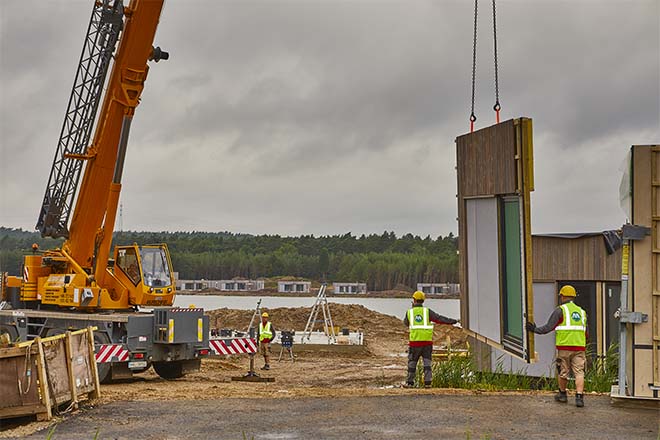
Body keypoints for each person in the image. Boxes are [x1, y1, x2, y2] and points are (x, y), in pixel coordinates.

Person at [526, 285, 588, 407]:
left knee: (563, 371)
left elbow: (548, 327)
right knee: (579, 372)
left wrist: (534, 329)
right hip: (580, 347)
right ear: (573, 297)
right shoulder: (582, 312)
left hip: (564, 347)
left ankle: (562, 395)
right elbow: (586, 332)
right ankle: (579, 398)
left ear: (562, 296)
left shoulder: (560, 310)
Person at [403, 290, 460, 388]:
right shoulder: (427, 312)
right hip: (427, 344)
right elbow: (439, 319)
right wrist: (453, 321)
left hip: (414, 343)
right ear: (423, 301)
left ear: (414, 300)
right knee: (427, 364)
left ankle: (409, 383)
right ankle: (428, 383)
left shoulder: (409, 312)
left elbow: (406, 323)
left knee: (412, 363)